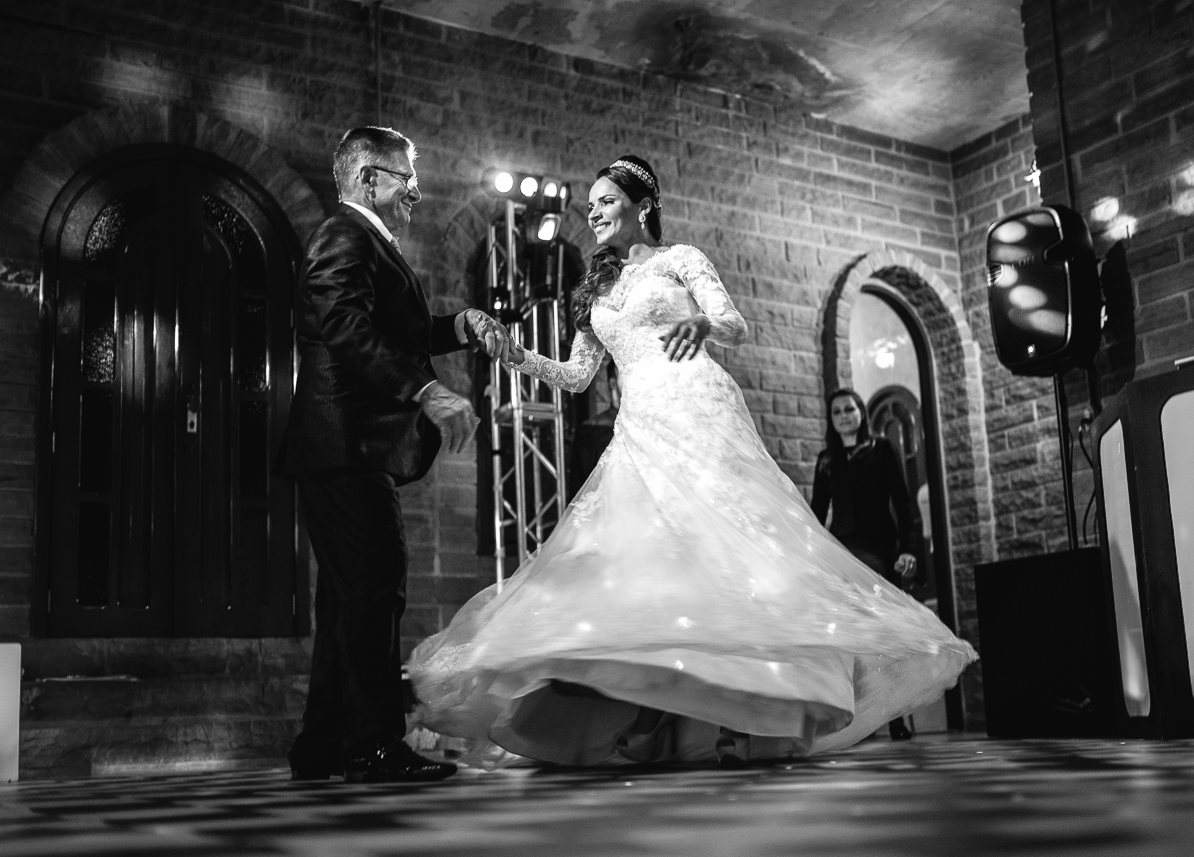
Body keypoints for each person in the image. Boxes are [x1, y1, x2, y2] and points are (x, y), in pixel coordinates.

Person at [408, 155, 975, 767]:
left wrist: (702, 323)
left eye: (605, 200)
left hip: (699, 409)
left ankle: (740, 717)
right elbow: (577, 377)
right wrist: (518, 357)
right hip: (640, 426)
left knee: (723, 554)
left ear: (643, 205)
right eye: (589, 205)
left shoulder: (681, 259)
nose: (593, 213)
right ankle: (658, 713)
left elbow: (736, 324)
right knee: (651, 566)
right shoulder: (594, 289)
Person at [276, 126, 511, 783]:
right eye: (407, 179)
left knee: (350, 597)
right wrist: (426, 390)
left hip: (345, 447)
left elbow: (392, 330)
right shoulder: (343, 235)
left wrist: (460, 325)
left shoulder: (365, 242)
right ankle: (372, 745)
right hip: (342, 442)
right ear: (368, 178)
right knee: (375, 586)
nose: (416, 193)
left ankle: (322, 745)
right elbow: (345, 327)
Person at [810, 389, 924, 741]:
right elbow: (817, 512)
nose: (844, 416)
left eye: (850, 409)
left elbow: (903, 503)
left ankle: (896, 719)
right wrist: (806, 552)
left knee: (884, 635)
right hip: (841, 551)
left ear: (861, 412)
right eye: (837, 412)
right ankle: (855, 720)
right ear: (831, 420)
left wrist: (909, 549)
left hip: (879, 551)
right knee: (847, 637)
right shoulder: (827, 460)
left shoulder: (881, 449)